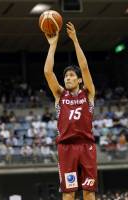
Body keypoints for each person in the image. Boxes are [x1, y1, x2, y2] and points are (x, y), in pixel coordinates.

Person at [44, 22, 97, 200]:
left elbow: (84, 67)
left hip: (86, 145)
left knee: (89, 193)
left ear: (79, 80)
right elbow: (48, 72)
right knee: (69, 194)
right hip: (66, 148)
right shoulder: (60, 95)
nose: (67, 78)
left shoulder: (88, 93)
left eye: (71, 75)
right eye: (66, 76)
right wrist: (53, 45)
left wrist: (75, 40)